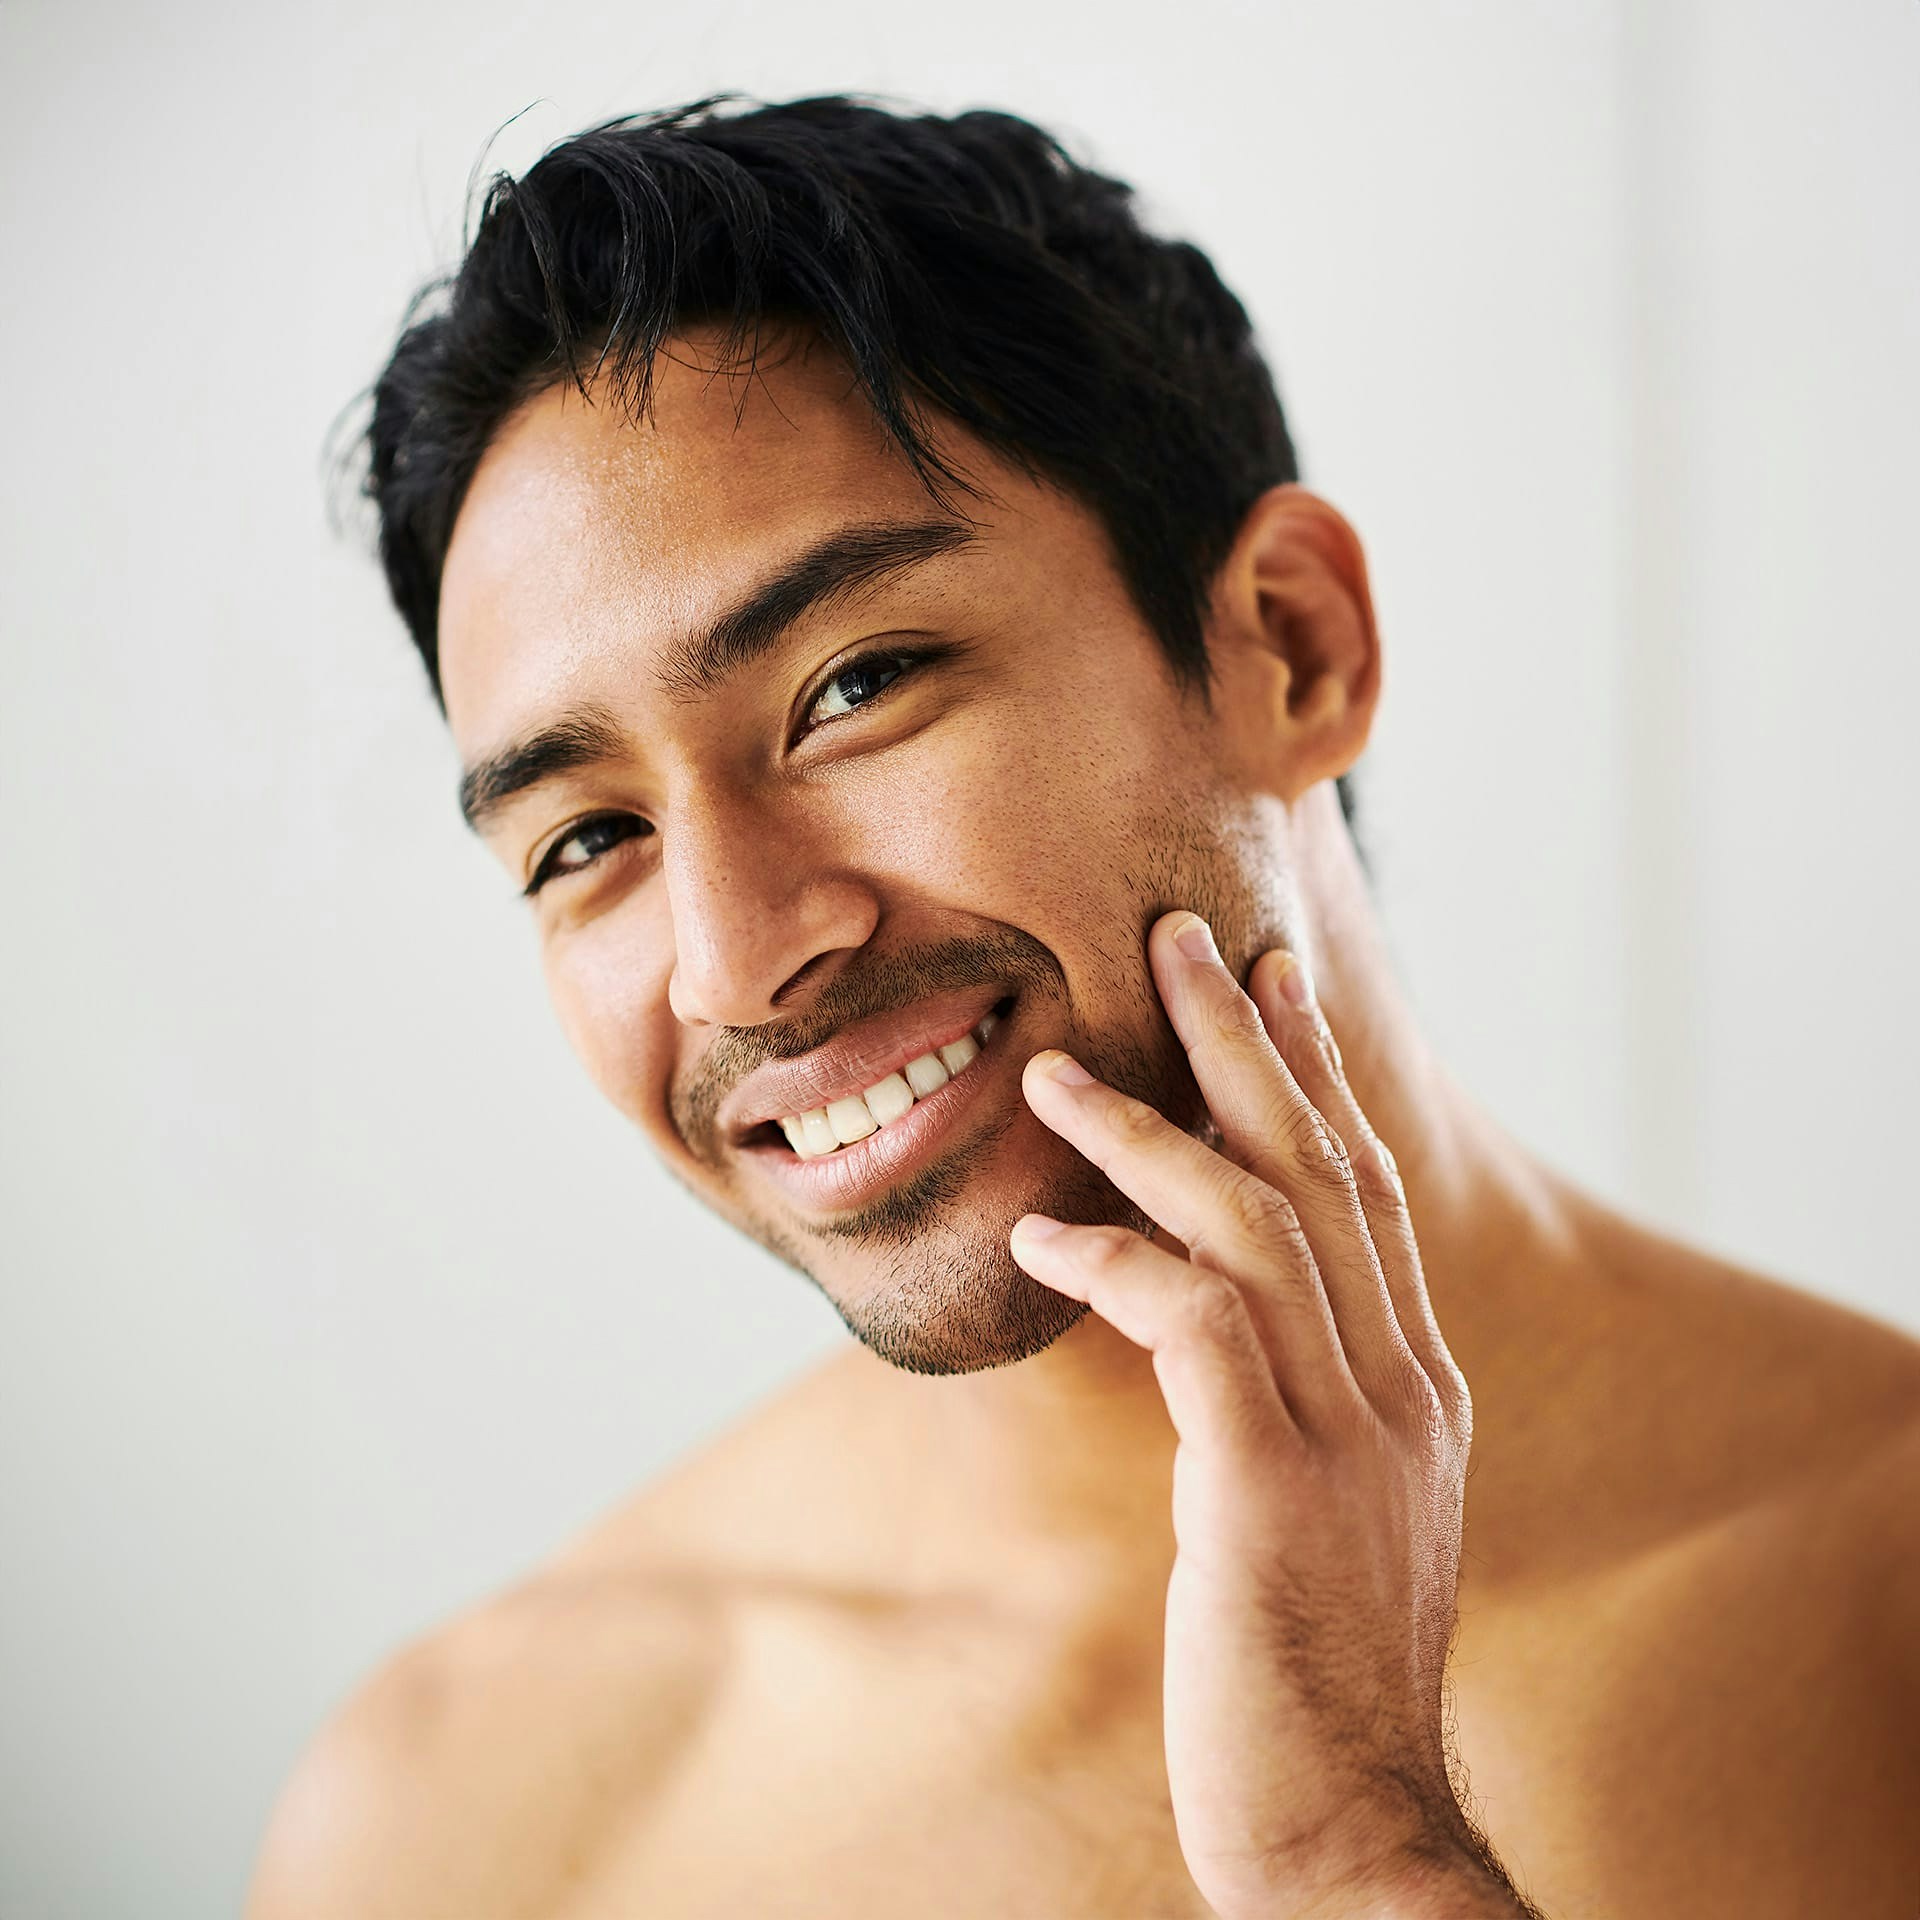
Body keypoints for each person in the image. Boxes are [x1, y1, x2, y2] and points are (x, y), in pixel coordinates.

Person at [248, 95, 1920, 1917]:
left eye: (855, 683)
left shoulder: (1878, 1595)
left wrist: (1362, 1859)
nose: (735, 958)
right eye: (588, 841)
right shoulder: (463, 1811)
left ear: (1293, 646)